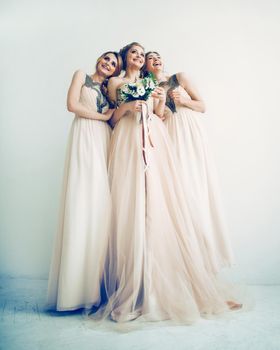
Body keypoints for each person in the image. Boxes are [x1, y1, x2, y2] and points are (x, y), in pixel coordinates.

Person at [100, 42, 241, 324]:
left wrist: (160, 100)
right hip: (127, 139)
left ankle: (163, 284)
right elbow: (112, 119)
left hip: (153, 140)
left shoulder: (151, 81)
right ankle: (134, 286)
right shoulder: (115, 81)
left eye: (143, 54)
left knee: (156, 203)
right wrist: (128, 107)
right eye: (134, 53)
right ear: (126, 57)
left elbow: (161, 115)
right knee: (131, 204)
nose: (139, 57)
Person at [145, 51, 235, 275]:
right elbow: (156, 117)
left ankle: (206, 261)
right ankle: (182, 260)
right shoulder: (148, 87)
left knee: (195, 185)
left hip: (190, 131)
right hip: (171, 136)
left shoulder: (180, 77)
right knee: (180, 190)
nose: (156, 59)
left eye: (158, 56)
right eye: (150, 57)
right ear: (146, 66)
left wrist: (183, 100)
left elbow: (202, 105)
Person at [46, 51, 122, 311]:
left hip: (104, 140)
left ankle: (96, 288)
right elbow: (72, 106)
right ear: (99, 59)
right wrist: (102, 117)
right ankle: (73, 291)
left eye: (113, 64)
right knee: (82, 200)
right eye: (106, 59)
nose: (108, 64)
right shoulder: (81, 75)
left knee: (100, 206)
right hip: (84, 136)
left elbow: (116, 117)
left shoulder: (108, 89)